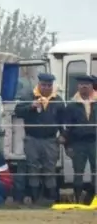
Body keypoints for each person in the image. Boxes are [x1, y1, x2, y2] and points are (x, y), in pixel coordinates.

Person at [13, 73, 67, 205]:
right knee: (33, 169)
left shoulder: (58, 100)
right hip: (32, 139)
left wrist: (63, 135)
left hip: (50, 140)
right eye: (44, 85)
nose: (46, 88)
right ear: (39, 84)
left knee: (50, 169)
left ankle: (51, 199)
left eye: (49, 85)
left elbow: (64, 121)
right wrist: (30, 106)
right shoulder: (28, 97)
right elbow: (17, 111)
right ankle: (35, 199)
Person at [63, 75, 97, 204]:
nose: (84, 86)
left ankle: (94, 198)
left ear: (91, 86)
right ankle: (77, 199)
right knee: (78, 171)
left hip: (95, 142)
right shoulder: (71, 105)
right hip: (78, 143)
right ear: (78, 86)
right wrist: (68, 146)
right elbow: (67, 127)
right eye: (81, 84)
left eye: (87, 84)